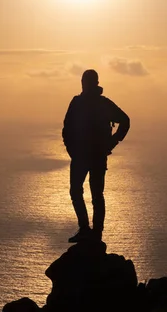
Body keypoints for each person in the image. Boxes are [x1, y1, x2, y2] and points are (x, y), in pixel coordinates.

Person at [62, 69, 130, 243]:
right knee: (89, 194)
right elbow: (66, 129)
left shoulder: (91, 103)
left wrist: (112, 143)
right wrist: (111, 143)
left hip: (89, 156)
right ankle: (90, 231)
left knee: (87, 193)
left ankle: (91, 232)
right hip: (90, 156)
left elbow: (125, 120)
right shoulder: (95, 103)